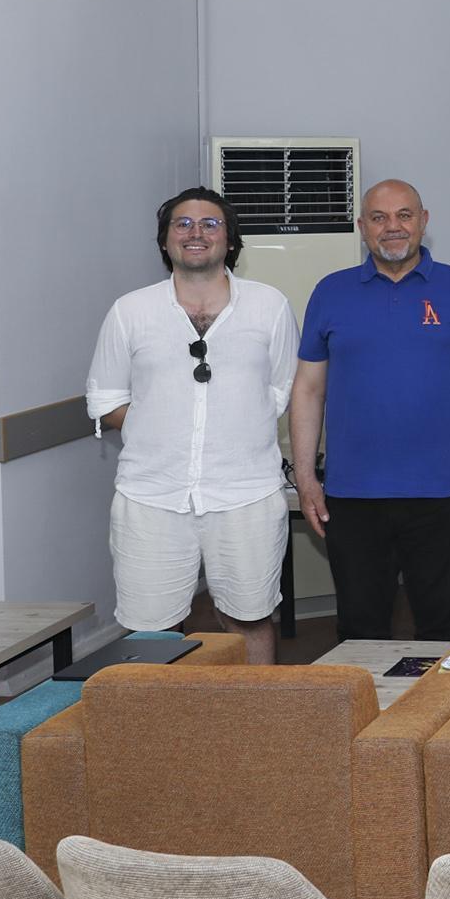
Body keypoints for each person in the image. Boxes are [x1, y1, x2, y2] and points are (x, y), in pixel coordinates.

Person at [86, 188, 297, 664]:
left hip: (246, 495)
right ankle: (162, 715)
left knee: (250, 619)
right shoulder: (130, 311)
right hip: (151, 497)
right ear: (165, 241)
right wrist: (159, 428)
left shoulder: (269, 306)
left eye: (209, 223)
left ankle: (254, 708)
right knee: (150, 632)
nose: (195, 232)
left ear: (230, 239)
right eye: (182, 224)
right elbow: (105, 399)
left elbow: (282, 391)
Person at [290, 180, 450, 642]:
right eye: (379, 217)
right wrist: (305, 478)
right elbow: (307, 390)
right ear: (362, 226)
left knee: (443, 627)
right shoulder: (330, 291)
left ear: (423, 222)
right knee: (359, 629)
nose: (393, 227)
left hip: (442, 492)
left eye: (404, 215)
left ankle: (438, 696)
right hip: (353, 495)